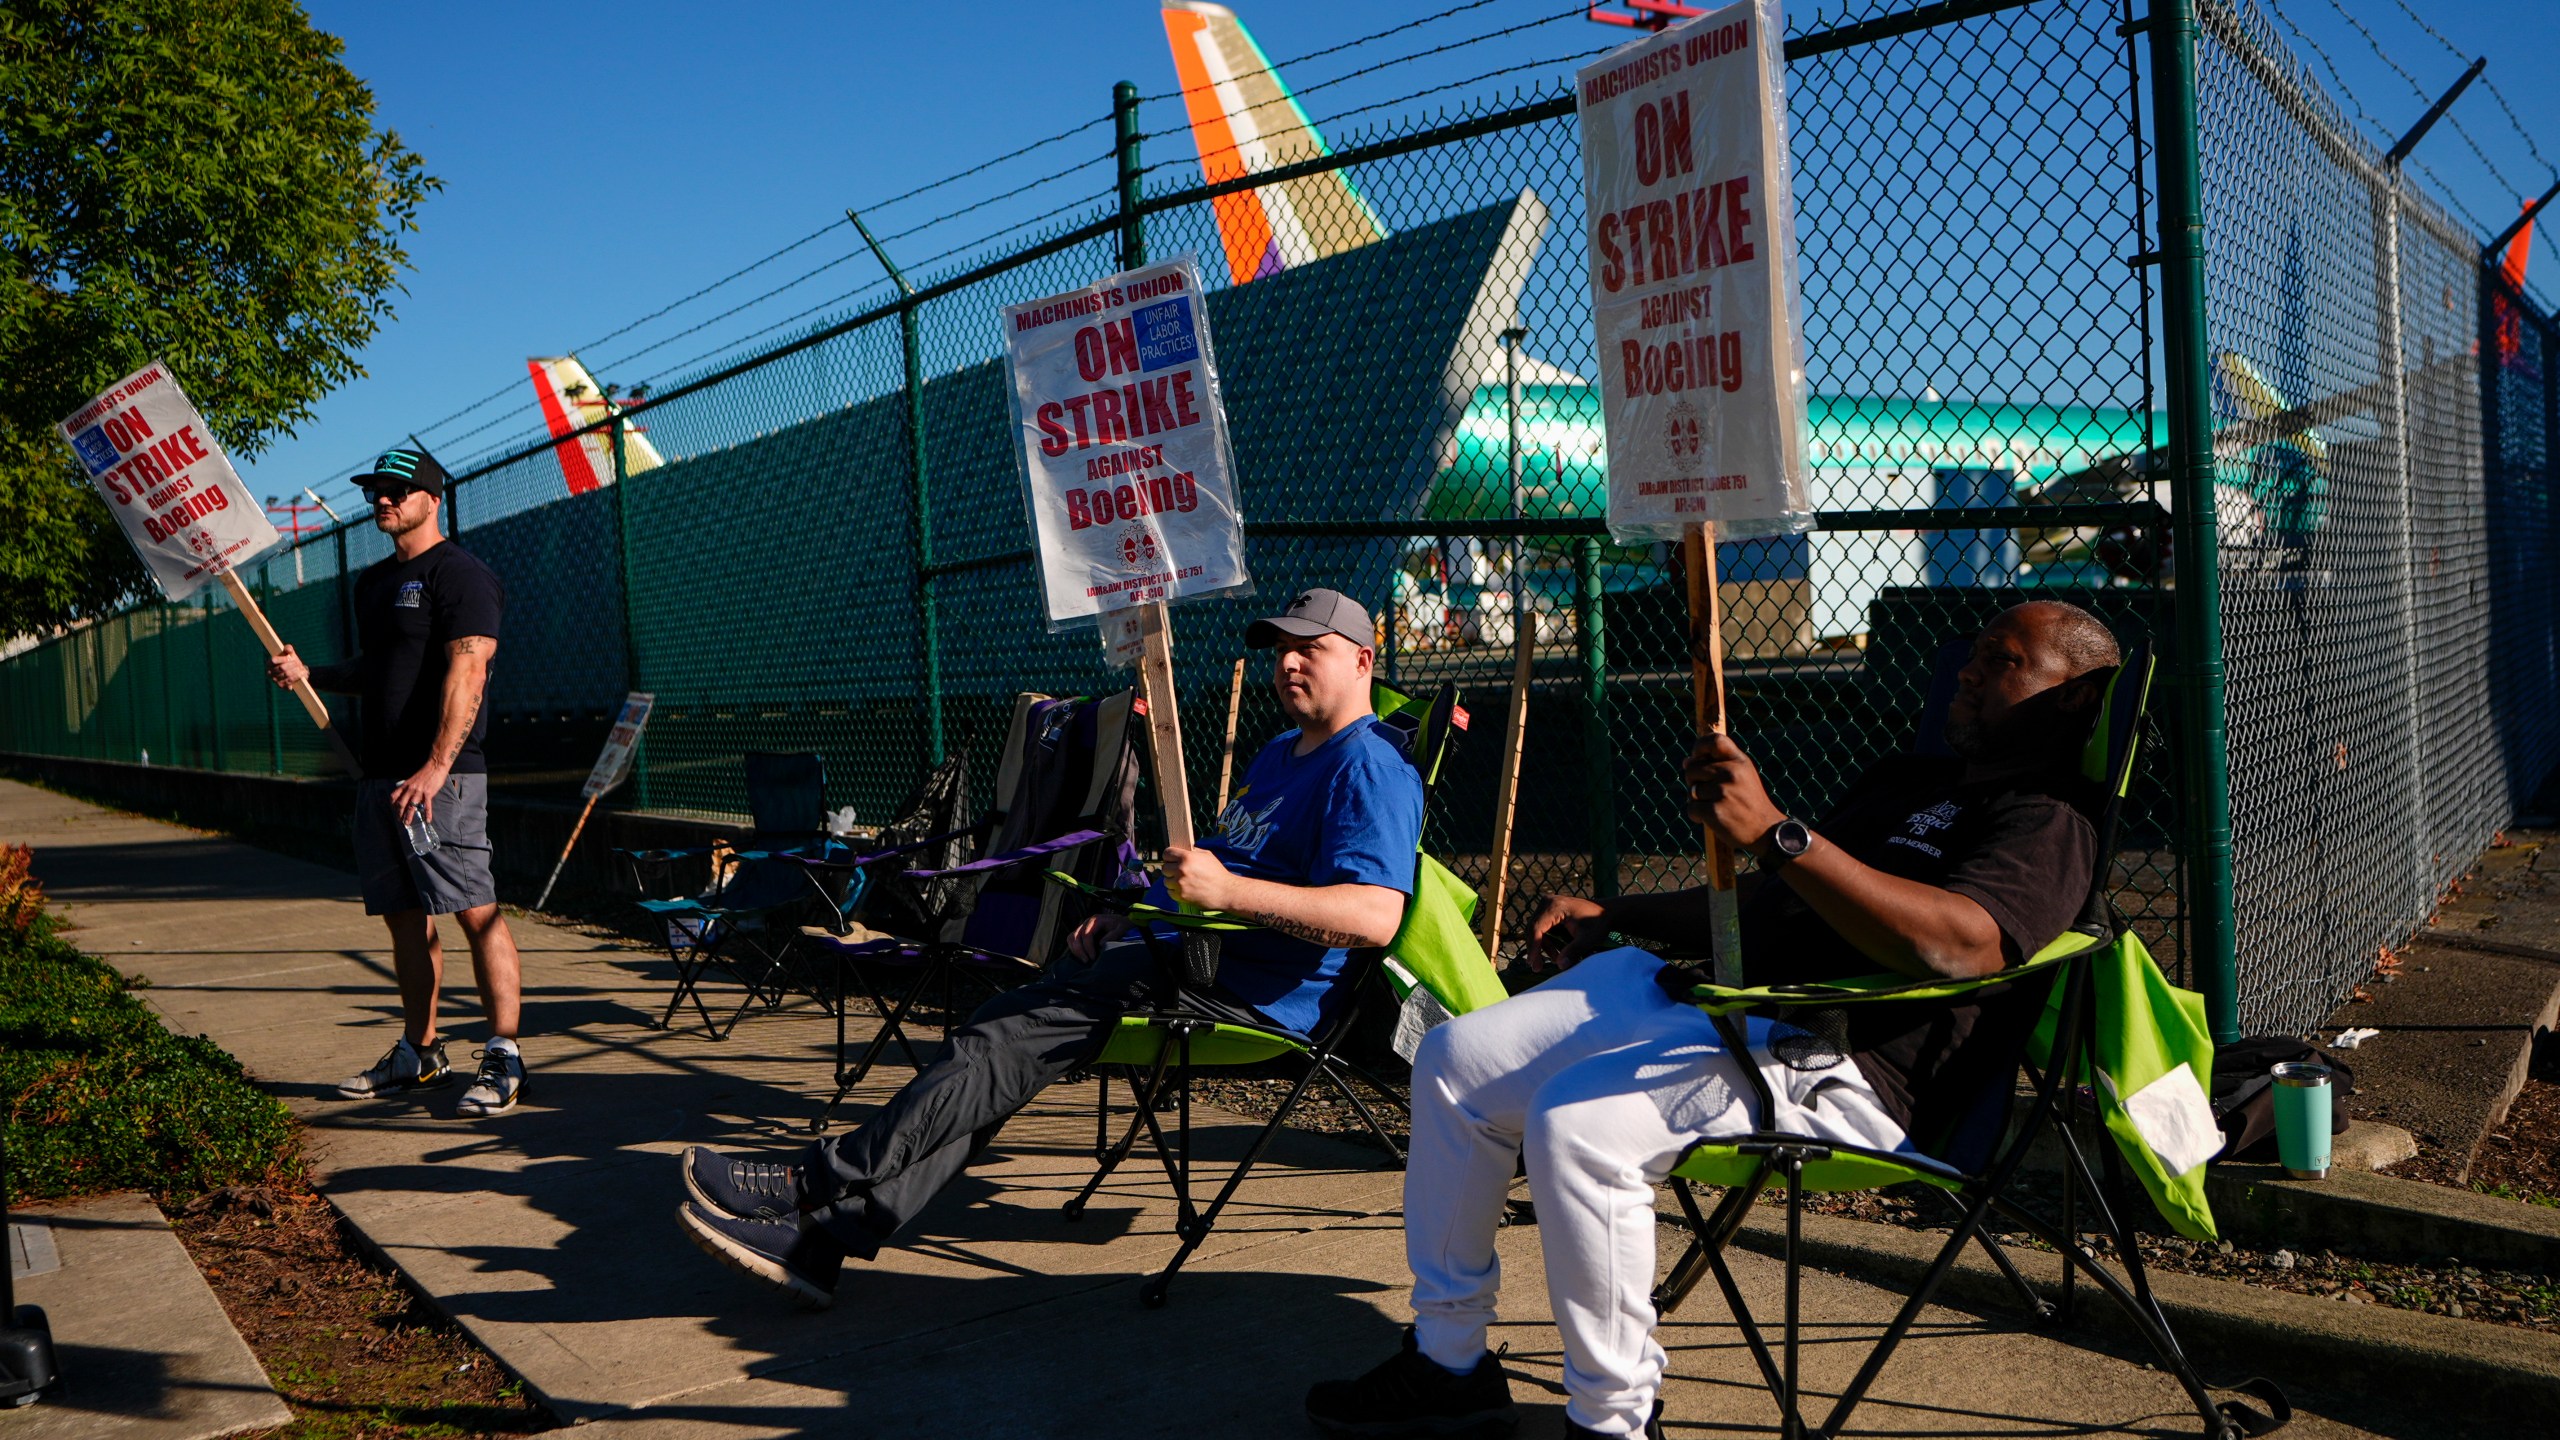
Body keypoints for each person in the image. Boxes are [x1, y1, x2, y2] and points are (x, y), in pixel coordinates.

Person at [1305, 600, 2121, 1440]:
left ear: (2070, 700)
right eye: (1974, 651)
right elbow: (1774, 902)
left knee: (1576, 1127)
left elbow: (1964, 945)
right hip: (1723, 1005)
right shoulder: (1904, 781)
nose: (1969, 670)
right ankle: (1449, 1362)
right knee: (1454, 1058)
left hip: (1836, 1062)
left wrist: (1778, 833)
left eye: (2003, 659)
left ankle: (1613, 1422)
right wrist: (1617, 911)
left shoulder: (2050, 819)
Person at [675, 588, 1425, 1308]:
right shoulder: (1279, 754)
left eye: (1312, 650)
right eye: (1281, 651)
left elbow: (1372, 916)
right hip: (1174, 953)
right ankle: (819, 1243)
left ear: (1362, 661)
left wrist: (1227, 895)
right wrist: (1134, 916)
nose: (1289, 664)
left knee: (996, 1040)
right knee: (999, 1051)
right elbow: (1220, 872)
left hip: (1240, 989)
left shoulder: (1369, 767)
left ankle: (813, 1184)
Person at [266, 447, 526, 1118]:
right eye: (376, 490)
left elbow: (468, 673)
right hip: (379, 778)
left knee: (475, 911)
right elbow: (380, 668)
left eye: (397, 489)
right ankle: (422, 1051)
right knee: (404, 920)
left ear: (431, 498)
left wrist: (436, 768)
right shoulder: (375, 583)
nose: (383, 499)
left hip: (443, 777)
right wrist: (311, 674)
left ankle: (503, 1053)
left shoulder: (462, 575)